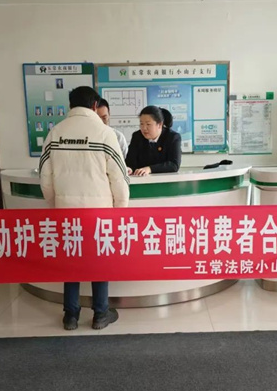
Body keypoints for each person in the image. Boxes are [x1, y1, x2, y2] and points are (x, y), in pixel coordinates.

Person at [39, 86, 129, 331]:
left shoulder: (55, 133)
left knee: (71, 262)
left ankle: (70, 316)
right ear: (94, 105)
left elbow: (45, 178)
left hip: (66, 213)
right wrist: (119, 212)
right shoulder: (105, 133)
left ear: (70, 105)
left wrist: (56, 205)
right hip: (99, 214)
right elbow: (119, 179)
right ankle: (100, 314)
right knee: (99, 262)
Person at [126, 106, 182, 176]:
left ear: (159, 124)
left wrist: (149, 169)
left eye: (148, 124)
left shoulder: (172, 137)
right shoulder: (137, 136)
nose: (144, 128)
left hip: (165, 180)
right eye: (141, 124)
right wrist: (129, 169)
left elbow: (174, 165)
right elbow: (130, 162)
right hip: (141, 179)